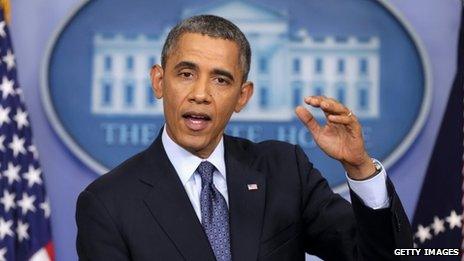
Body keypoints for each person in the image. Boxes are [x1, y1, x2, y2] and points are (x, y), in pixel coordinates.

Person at [76, 15, 413, 260]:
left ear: (242, 96)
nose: (201, 94)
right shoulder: (108, 203)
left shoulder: (284, 171)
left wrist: (359, 168)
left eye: (221, 80)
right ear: (159, 82)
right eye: (186, 74)